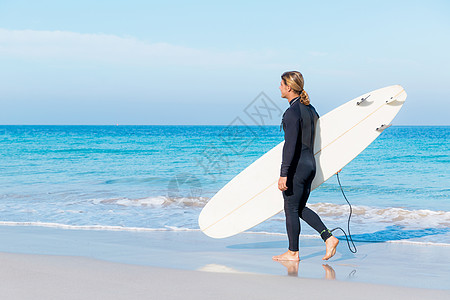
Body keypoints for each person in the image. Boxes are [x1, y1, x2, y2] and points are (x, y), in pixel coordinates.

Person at [272, 71, 339, 262]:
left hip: (297, 167)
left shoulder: (292, 112)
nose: (279, 87)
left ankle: (293, 253)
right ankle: (329, 237)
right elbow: (319, 141)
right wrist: (334, 161)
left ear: (289, 87)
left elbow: (290, 145)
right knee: (299, 207)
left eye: (281, 84)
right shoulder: (311, 110)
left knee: (291, 209)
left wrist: (284, 173)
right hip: (310, 165)